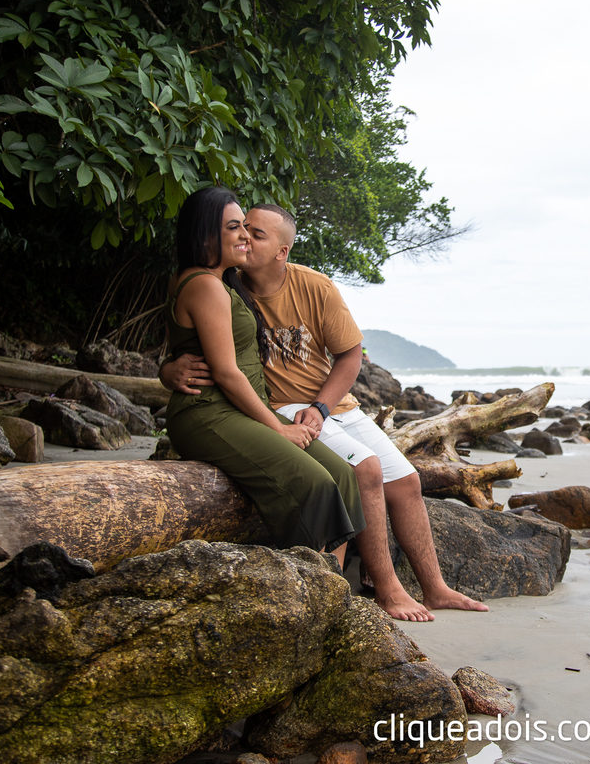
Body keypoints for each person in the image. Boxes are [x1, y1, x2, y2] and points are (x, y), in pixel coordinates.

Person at [161, 203, 488, 621]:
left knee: (406, 481)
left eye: (256, 233)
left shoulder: (311, 286)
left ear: (282, 251)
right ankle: (386, 589)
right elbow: (192, 343)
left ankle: (435, 587)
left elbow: (351, 355)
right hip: (280, 408)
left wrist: (322, 406)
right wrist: (168, 370)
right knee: (365, 471)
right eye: (241, 229)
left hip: (329, 404)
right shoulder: (225, 283)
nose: (245, 237)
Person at [162, 186, 365, 566]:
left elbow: (183, 349)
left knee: (342, 472)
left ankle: (331, 583)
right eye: (235, 228)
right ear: (207, 234)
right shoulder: (204, 284)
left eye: (248, 229)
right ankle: (309, 581)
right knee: (315, 482)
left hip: (233, 411)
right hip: (208, 413)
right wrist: (278, 428)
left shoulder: (223, 281)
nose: (244, 236)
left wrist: (167, 370)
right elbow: (225, 372)